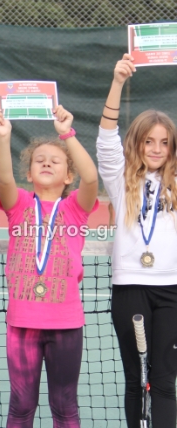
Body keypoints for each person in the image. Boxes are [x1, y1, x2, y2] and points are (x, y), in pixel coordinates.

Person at [0, 105, 98, 427]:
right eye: (39, 160)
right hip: (23, 324)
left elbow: (91, 177)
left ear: (68, 176)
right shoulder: (19, 205)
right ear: (29, 173)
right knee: (21, 406)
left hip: (66, 324)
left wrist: (68, 135)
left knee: (65, 406)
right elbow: (4, 178)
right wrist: (4, 137)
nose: (47, 163)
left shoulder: (76, 208)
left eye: (55, 160)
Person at [97, 53, 177, 428]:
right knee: (135, 379)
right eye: (149, 141)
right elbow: (106, 140)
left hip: (172, 290)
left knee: (164, 382)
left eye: (164, 142)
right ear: (137, 143)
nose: (156, 149)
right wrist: (117, 82)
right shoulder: (120, 178)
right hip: (130, 288)